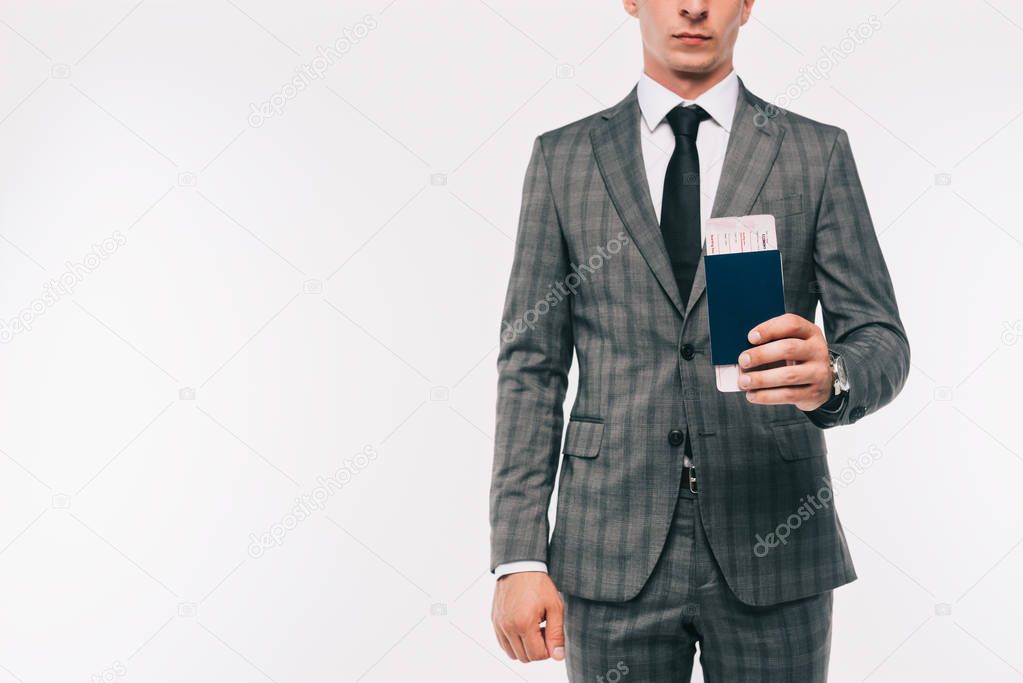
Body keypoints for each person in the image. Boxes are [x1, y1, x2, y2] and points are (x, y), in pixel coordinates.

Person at [488, 1, 910, 680]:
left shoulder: (813, 151)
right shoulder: (564, 157)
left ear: (746, 4)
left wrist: (832, 373)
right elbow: (530, 366)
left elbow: (880, 337)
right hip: (606, 543)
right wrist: (519, 556)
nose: (691, 6)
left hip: (776, 536)